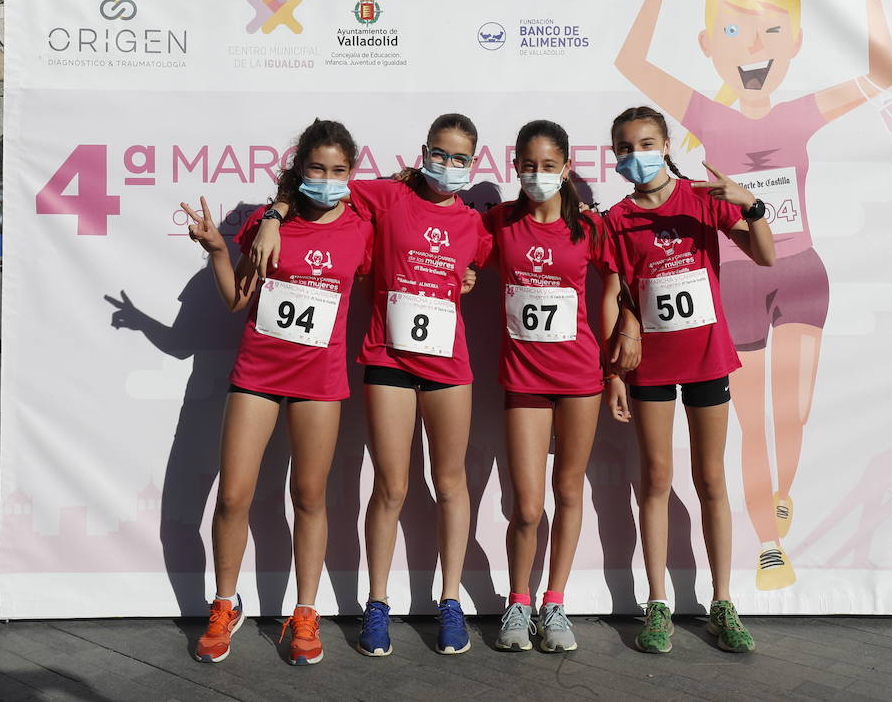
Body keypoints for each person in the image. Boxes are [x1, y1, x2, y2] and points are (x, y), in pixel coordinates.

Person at [614, 0, 892, 590]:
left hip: (798, 272)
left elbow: (882, 73)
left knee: (793, 414)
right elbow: (631, 63)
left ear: (795, 42)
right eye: (733, 29)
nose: (753, 45)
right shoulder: (705, 116)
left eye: (771, 29)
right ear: (709, 44)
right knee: (750, 423)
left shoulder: (801, 112)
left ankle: (779, 495)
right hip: (735, 283)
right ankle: (769, 543)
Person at [249, 113, 493, 656]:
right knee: (392, 486)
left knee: (451, 483)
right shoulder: (384, 198)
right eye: (441, 153)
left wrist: (468, 276)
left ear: (472, 164)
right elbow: (316, 187)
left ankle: (449, 601)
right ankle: (376, 604)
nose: (449, 166)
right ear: (424, 151)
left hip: (449, 365)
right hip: (388, 359)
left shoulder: (476, 226)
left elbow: (475, 267)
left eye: (460, 159)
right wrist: (272, 216)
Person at [182, 119, 373, 667]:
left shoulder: (363, 225)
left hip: (321, 381)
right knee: (234, 495)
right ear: (299, 169)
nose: (328, 179)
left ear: (351, 173)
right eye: (317, 168)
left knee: (310, 498)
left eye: (339, 171)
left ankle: (305, 610)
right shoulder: (269, 225)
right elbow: (236, 301)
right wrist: (220, 248)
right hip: (258, 375)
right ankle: (225, 603)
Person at [601, 105, 775, 654]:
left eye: (646, 143)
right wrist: (614, 372)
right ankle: (658, 604)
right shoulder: (615, 219)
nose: (636, 156)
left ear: (667, 142)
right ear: (615, 155)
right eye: (625, 148)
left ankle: (723, 602)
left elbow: (764, 255)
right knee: (654, 478)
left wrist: (754, 205)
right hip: (649, 363)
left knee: (711, 480)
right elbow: (613, 296)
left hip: (706, 358)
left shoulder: (701, 199)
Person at [482, 120, 614, 653]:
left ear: (566, 166)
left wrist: (626, 332)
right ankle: (518, 601)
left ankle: (554, 603)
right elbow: (449, 252)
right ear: (516, 167)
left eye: (548, 165)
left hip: (581, 375)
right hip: (524, 378)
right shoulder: (498, 222)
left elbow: (623, 283)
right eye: (528, 165)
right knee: (529, 505)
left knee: (568, 490)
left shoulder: (590, 229)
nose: (538, 174)